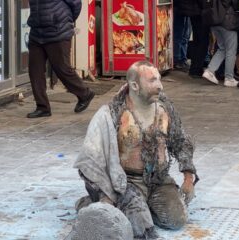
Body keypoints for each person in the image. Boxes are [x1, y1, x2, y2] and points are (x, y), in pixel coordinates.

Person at [73, 61, 198, 239]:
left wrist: (188, 177)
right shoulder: (111, 113)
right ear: (134, 85)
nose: (160, 86)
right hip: (127, 183)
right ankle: (100, 204)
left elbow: (181, 142)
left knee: (176, 220)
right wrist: (105, 194)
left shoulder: (165, 109)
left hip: (159, 180)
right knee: (141, 228)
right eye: (153, 81)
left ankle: (137, 208)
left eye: (159, 80)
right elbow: (90, 160)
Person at [26, 0, 95, 118]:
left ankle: (85, 94)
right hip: (37, 32)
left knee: (62, 68)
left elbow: (76, 4)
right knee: (35, 70)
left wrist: (64, 20)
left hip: (58, 31)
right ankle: (42, 107)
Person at [202, 0, 239, 87]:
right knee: (231, 50)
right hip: (227, 20)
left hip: (214, 20)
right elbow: (235, 4)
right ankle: (229, 78)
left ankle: (210, 71)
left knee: (222, 48)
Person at [173, 0, 192, 71]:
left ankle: (182, 59)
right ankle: (178, 59)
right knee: (180, 36)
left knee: (184, 36)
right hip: (181, 8)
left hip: (184, 9)